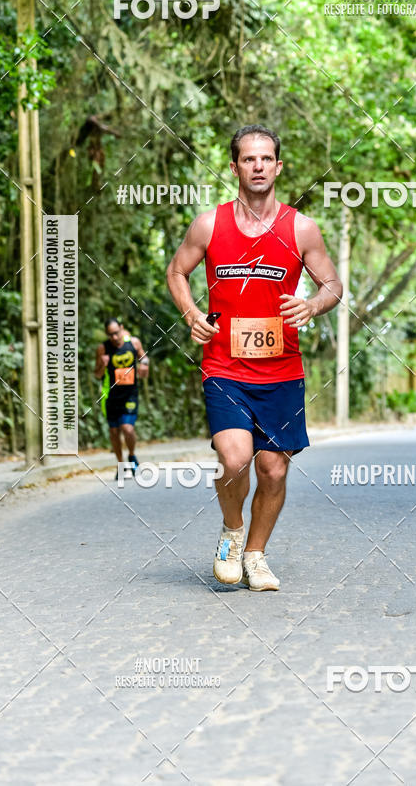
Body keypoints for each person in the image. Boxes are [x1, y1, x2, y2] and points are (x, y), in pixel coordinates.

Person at [167, 124, 342, 592]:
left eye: (266, 159)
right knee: (236, 457)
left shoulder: (300, 228)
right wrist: (190, 313)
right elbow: (177, 271)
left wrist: (312, 304)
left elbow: (332, 285)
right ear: (235, 167)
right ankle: (231, 529)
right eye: (249, 159)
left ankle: (256, 556)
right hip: (224, 365)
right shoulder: (209, 224)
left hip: (282, 371)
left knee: (274, 468)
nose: (258, 166)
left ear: (278, 167)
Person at [94, 318, 149, 476]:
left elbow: (144, 357)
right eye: (110, 335)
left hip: (130, 394)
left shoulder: (133, 343)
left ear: (121, 328)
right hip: (111, 396)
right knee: (113, 432)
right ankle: (120, 464)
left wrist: (144, 364)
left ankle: (132, 455)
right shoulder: (103, 349)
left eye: (116, 333)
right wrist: (101, 365)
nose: (115, 338)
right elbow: (97, 374)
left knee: (127, 428)